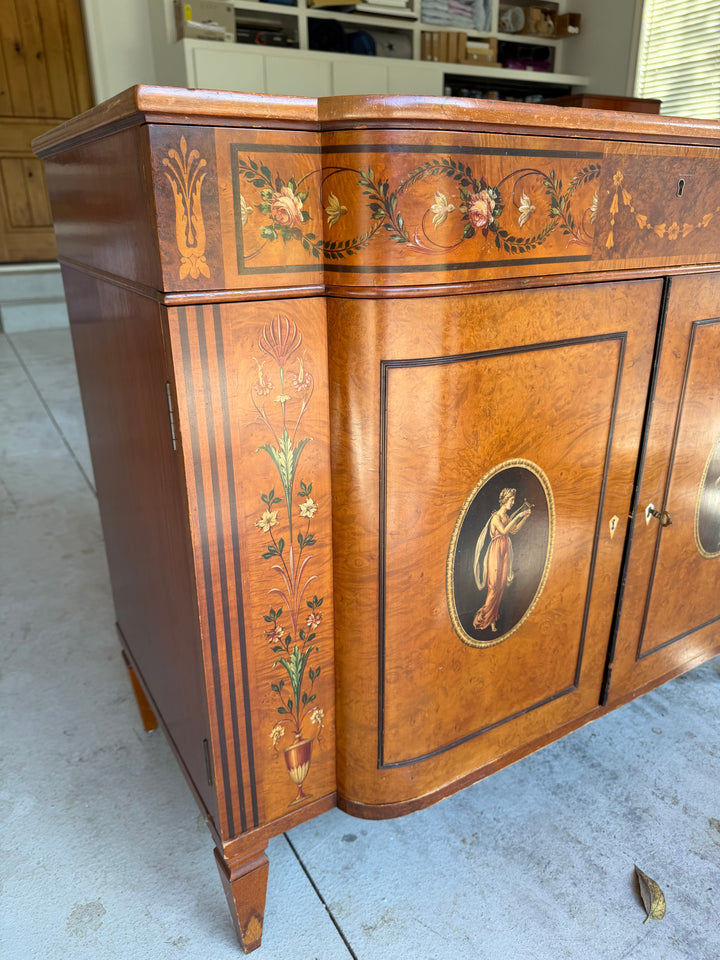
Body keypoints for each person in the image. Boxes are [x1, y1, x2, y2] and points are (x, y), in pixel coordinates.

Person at [473, 487, 531, 633]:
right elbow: (504, 531)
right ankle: (483, 619)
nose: (513, 503)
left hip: (505, 550)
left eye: (513, 500)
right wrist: (518, 516)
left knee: (501, 586)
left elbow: (514, 530)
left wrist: (525, 517)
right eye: (511, 500)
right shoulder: (496, 517)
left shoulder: (506, 517)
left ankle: (493, 620)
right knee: (493, 587)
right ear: (504, 500)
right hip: (495, 550)